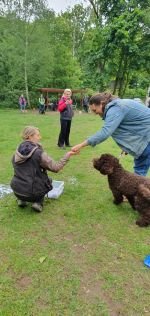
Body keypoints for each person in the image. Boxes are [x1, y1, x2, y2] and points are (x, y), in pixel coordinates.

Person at [72, 92, 150, 176]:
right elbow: (132, 125)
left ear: (101, 103)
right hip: (145, 139)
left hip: (147, 141)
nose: (95, 113)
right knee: (139, 175)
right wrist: (128, 145)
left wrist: (81, 145)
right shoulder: (117, 106)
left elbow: (105, 132)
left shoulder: (116, 108)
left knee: (139, 176)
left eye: (95, 110)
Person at [10, 126, 77, 212]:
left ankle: (21, 200)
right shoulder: (38, 153)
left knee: (25, 177)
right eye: (38, 135)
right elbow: (56, 168)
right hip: (33, 194)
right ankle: (38, 203)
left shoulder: (17, 151)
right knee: (48, 181)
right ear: (30, 136)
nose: (40, 137)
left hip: (16, 190)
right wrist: (67, 155)